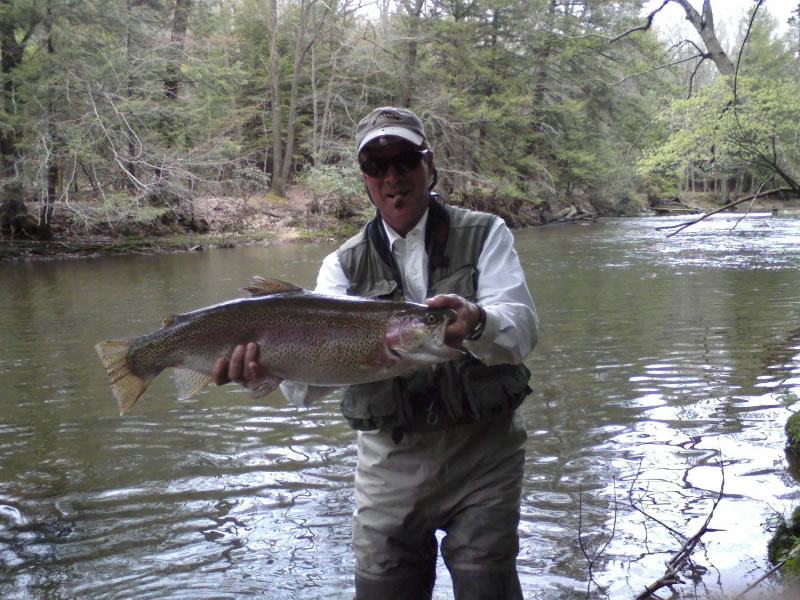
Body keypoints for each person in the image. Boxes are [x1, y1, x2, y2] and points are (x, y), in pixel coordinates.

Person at [213, 106, 539, 600]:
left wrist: (478, 322)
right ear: (364, 178)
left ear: (429, 165)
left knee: (487, 586)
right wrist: (262, 372)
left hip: (485, 458)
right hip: (389, 464)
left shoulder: (486, 233)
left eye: (405, 160)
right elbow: (307, 389)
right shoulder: (340, 266)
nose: (393, 178)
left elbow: (523, 330)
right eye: (376, 167)